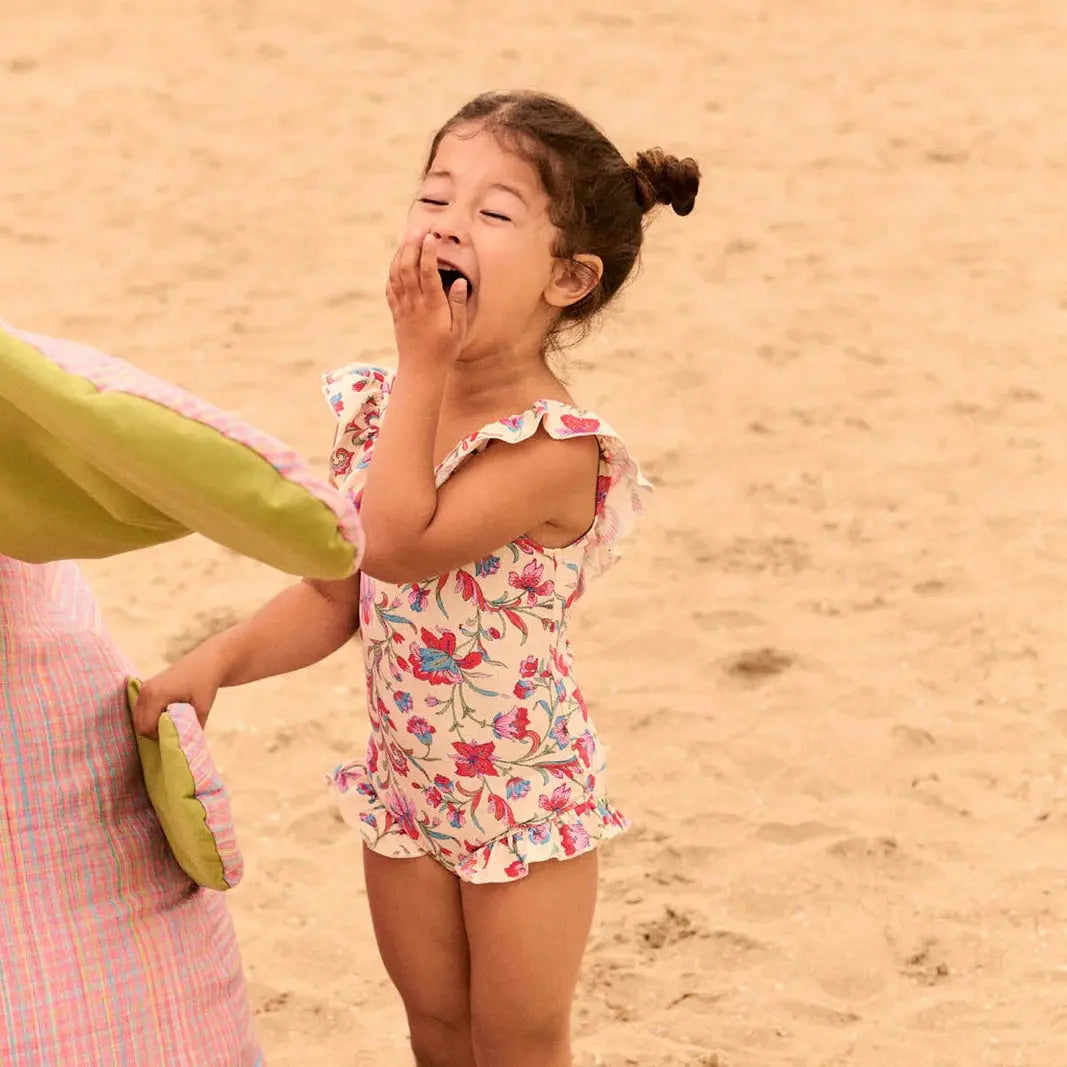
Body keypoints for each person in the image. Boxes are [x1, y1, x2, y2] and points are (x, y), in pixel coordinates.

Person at [134, 89, 699, 1067]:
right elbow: (340, 586)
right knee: (437, 1033)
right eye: (433, 195)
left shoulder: (551, 445)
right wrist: (217, 659)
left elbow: (397, 540)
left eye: (491, 212)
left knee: (514, 1042)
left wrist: (420, 364)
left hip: (521, 797)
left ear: (566, 277)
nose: (445, 221)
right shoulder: (391, 409)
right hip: (405, 788)